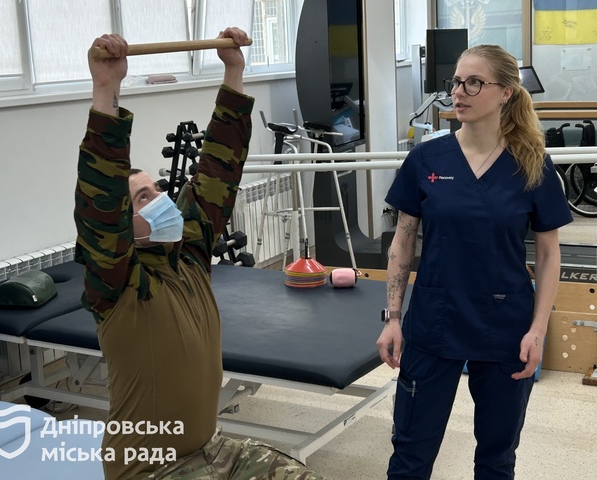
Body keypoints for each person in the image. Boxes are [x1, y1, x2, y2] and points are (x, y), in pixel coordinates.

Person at [75, 29, 324, 480]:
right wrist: (106, 88)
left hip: (213, 450)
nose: (160, 198)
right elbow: (101, 198)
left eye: (157, 190)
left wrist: (233, 71)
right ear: (123, 221)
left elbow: (218, 171)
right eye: (143, 197)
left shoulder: (187, 254)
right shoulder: (119, 284)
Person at [376, 44, 572, 480]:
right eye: (456, 82)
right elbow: (402, 242)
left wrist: (538, 330)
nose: (458, 92)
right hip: (434, 322)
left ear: (506, 93)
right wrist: (393, 317)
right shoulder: (426, 160)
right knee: (409, 455)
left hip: (506, 327)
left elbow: (548, 253)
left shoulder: (532, 163)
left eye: (474, 83)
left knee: (497, 459)